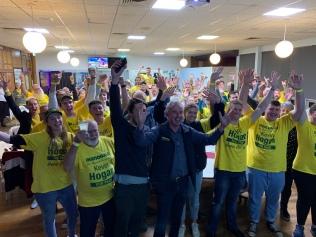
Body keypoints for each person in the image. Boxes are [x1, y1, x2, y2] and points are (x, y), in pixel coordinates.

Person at [133, 98, 230, 237]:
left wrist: (221, 128)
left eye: (180, 112)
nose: (178, 115)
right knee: (162, 219)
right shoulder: (159, 130)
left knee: (177, 219)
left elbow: (209, 139)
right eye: (174, 112)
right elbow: (141, 141)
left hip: (182, 183)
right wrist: (140, 126)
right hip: (165, 184)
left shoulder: (187, 130)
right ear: (167, 114)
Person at [0, 109, 78, 237]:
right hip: (45, 188)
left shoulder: (70, 137)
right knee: (49, 220)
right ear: (47, 122)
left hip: (66, 185)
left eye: (58, 117)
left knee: (73, 214)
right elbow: (11, 139)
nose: (57, 120)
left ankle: (71, 234)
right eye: (52, 118)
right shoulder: (40, 137)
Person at [246, 71, 305, 237]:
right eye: (271, 109)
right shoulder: (256, 119)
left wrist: (299, 90)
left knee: (274, 200)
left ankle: (271, 222)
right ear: (266, 110)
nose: (273, 112)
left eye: (276, 110)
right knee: (255, 199)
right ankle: (253, 223)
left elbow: (300, 111)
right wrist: (271, 88)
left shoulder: (284, 123)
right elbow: (248, 104)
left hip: (278, 170)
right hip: (255, 168)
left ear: (280, 113)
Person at [110, 61, 150, 237]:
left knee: (137, 223)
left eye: (145, 109)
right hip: (124, 186)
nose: (143, 112)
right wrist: (115, 83)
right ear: (131, 112)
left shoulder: (146, 131)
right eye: (140, 109)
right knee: (122, 222)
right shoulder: (122, 127)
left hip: (142, 185)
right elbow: (115, 110)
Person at [64, 120, 115, 237]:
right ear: (81, 132)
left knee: (111, 228)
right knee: (87, 232)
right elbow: (66, 167)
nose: (93, 134)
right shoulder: (77, 148)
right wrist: (76, 143)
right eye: (88, 132)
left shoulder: (107, 141)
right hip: (88, 202)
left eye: (95, 131)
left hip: (110, 196)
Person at [291, 103, 316, 237]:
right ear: (311, 113)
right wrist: (299, 89)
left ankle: (314, 226)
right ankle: (299, 227)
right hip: (303, 171)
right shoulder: (304, 125)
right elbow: (299, 108)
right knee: (305, 200)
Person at [279, 101, 297, 222]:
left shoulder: (297, 128)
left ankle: (283, 208)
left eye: (287, 112)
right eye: (282, 111)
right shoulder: (276, 124)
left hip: (289, 165)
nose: (283, 114)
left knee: (286, 189)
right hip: (274, 164)